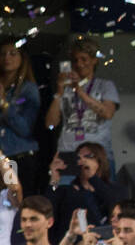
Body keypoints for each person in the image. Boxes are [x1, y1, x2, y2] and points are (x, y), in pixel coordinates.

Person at [45, 35, 120, 171]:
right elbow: (50, 123)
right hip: (67, 153)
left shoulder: (105, 86)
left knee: (100, 192)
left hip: (98, 155)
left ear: (94, 60)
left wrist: (81, 93)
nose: (79, 64)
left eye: (84, 59)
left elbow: (108, 113)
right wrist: (60, 92)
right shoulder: (65, 88)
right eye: (75, 60)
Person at [0, 38, 43, 191]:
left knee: (18, 202)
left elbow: (25, 129)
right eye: (2, 54)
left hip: (19, 156)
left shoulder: (29, 89)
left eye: (13, 54)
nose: (7, 58)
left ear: (22, 59)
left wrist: (4, 104)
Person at [48, 142, 128, 244]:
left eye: (88, 156)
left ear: (100, 161)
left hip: (107, 243)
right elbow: (48, 211)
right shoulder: (66, 191)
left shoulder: (117, 190)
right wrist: (54, 179)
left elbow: (115, 206)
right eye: (78, 157)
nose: (82, 160)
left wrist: (93, 178)